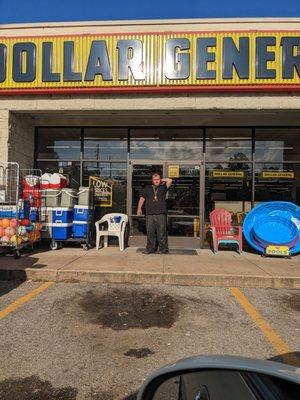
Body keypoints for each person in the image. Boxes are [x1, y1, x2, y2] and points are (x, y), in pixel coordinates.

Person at [137, 173, 172, 254]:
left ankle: (163, 249)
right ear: (152, 180)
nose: (156, 181)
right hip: (149, 214)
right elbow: (142, 198)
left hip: (161, 214)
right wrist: (139, 208)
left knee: (162, 232)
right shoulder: (147, 188)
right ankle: (150, 249)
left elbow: (170, 180)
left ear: (160, 180)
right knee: (150, 232)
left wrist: (162, 180)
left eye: (158, 179)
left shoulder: (163, 187)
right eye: (154, 179)